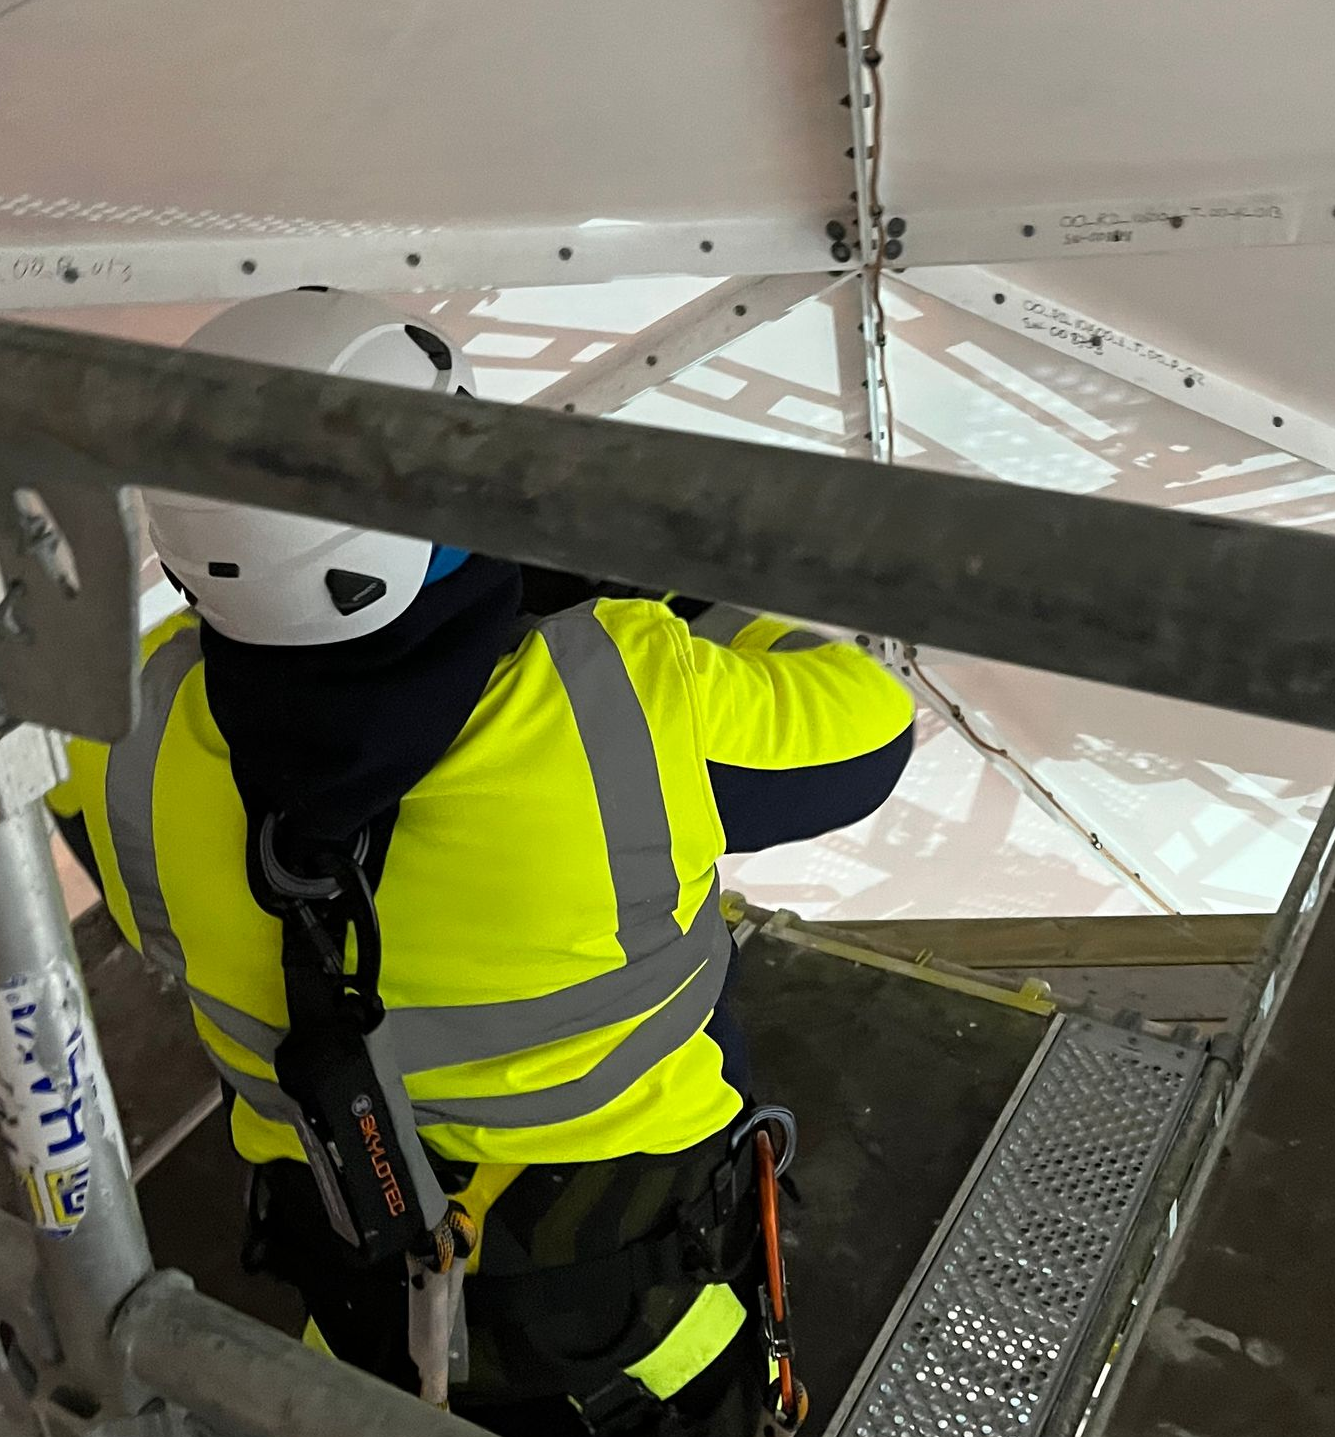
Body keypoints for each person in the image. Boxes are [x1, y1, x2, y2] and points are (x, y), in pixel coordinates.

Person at [46, 287, 915, 1435]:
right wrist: (650, 585)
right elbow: (868, 726)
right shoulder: (624, 688)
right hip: (640, 1335)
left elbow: (151, 898)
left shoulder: (121, 736)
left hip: (354, 1312)